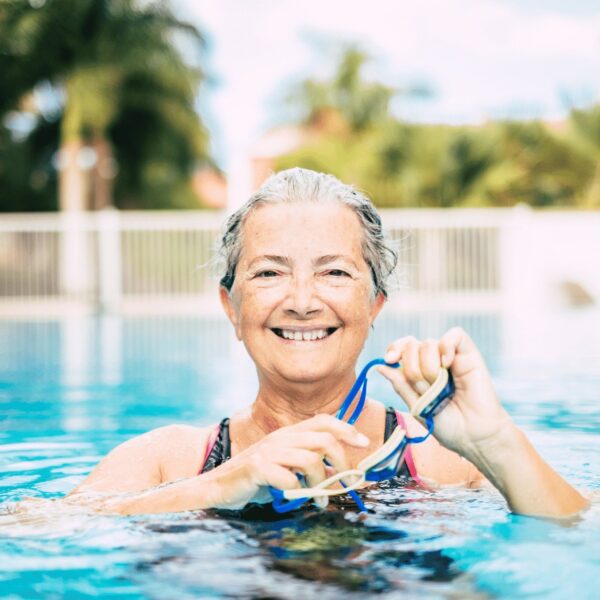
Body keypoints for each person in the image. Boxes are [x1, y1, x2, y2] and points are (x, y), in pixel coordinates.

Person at [67, 168, 588, 518]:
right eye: (269, 273)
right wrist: (215, 486)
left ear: (374, 305)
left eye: (334, 272)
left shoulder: (444, 463)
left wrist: (494, 444)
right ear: (232, 307)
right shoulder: (170, 463)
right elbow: (31, 531)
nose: (301, 301)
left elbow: (580, 534)